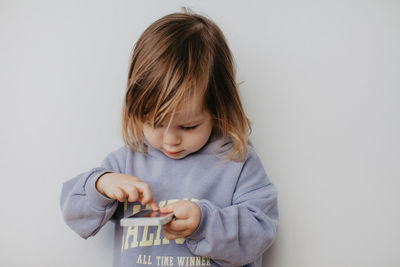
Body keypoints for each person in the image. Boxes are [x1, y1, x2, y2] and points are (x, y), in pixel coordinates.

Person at [60, 7, 278, 267]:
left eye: (188, 127)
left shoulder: (236, 160)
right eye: (155, 124)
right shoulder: (127, 162)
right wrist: (101, 185)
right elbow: (74, 212)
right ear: (136, 111)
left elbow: (261, 231)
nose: (170, 140)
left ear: (218, 109)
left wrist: (203, 223)